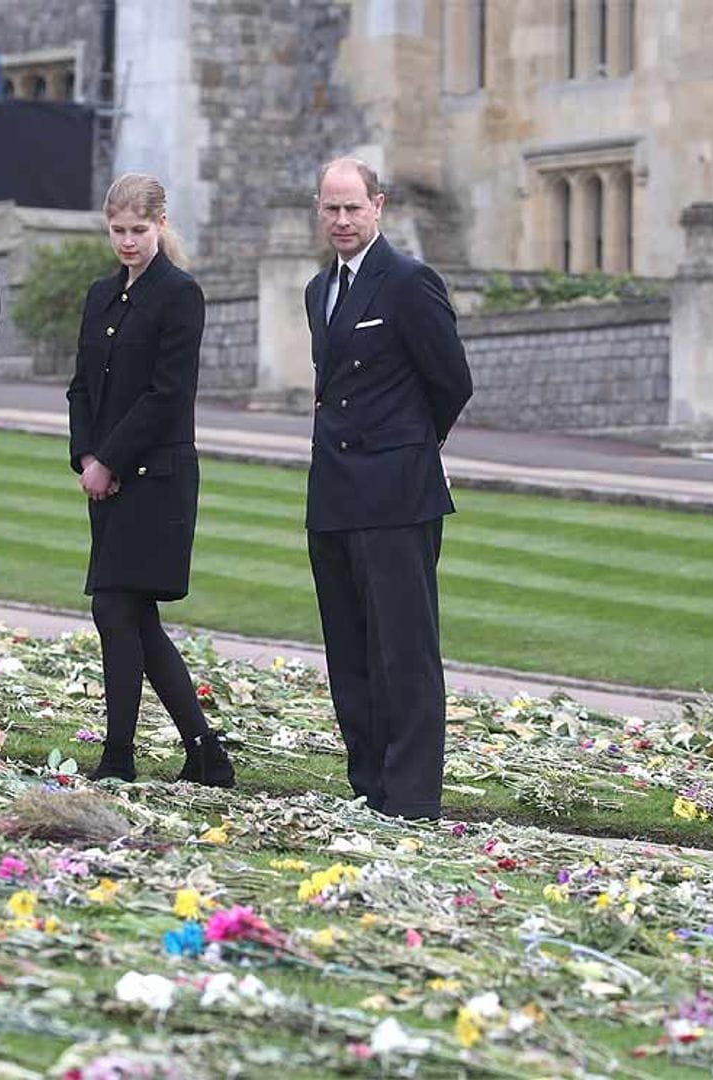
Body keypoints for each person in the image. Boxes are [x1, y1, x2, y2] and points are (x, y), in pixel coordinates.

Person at [303, 157, 473, 820]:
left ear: (379, 206)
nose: (342, 220)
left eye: (353, 207)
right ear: (319, 211)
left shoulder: (408, 281)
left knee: (403, 652)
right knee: (348, 652)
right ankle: (368, 785)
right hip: (334, 495)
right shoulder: (319, 290)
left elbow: (451, 381)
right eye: (331, 208)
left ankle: (410, 800)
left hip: (397, 494)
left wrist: (412, 446)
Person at [67, 173, 235, 787]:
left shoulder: (179, 294)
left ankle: (119, 756)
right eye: (119, 231)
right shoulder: (101, 296)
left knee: (116, 608)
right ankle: (205, 751)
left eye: (139, 230)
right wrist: (87, 457)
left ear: (161, 225)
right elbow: (82, 385)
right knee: (134, 618)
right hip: (106, 477)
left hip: (156, 477)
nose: (129, 241)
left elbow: (168, 395)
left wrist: (108, 460)